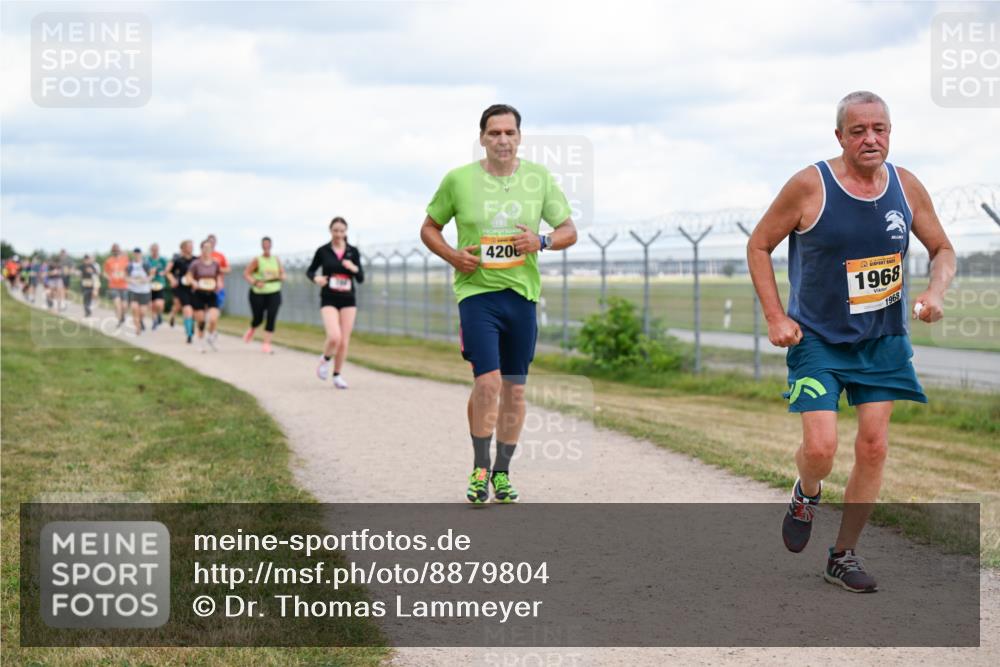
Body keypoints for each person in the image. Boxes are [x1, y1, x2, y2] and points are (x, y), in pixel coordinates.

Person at [746, 91, 956, 593]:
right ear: (840, 136)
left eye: (879, 129)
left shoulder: (906, 186)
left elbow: (943, 249)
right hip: (818, 338)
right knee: (821, 448)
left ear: (890, 133)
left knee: (874, 446)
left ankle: (842, 555)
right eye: (858, 130)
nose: (870, 139)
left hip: (883, 340)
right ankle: (807, 491)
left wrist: (935, 291)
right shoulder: (809, 185)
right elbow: (758, 244)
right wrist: (775, 316)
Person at [420, 104, 577, 504]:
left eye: (509, 132)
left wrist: (541, 241)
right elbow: (429, 228)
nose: (502, 140)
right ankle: (479, 468)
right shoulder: (458, 180)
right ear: (482, 138)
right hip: (477, 294)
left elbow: (568, 230)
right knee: (487, 382)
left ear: (519, 137)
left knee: (514, 390)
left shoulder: (539, 179)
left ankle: (502, 473)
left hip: (522, 296)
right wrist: (453, 256)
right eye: (494, 133)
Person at [306, 217, 364, 388]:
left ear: (346, 232)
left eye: (342, 231)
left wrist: (353, 268)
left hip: (348, 299)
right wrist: (316, 278)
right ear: (330, 231)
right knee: (334, 336)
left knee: (344, 341)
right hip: (329, 297)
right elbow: (310, 271)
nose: (338, 234)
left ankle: (337, 375)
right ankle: (325, 359)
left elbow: (361, 278)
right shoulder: (323, 251)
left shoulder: (353, 251)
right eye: (335, 230)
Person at [242, 236, 286, 354]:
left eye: (268, 244)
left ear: (271, 245)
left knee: (271, 316)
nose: (266, 246)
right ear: (262, 246)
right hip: (258, 293)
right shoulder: (257, 260)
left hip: (274, 291)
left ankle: (266, 344)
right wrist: (255, 282)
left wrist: (282, 276)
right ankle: (252, 328)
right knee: (258, 318)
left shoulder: (276, 259)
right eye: (264, 244)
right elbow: (246, 274)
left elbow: (282, 273)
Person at [186, 240, 223, 352]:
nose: (207, 250)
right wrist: (193, 282)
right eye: (205, 248)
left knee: (213, 318)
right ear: (201, 249)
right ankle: (200, 342)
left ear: (212, 249)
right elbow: (189, 276)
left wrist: (219, 283)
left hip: (211, 293)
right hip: (199, 294)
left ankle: (211, 337)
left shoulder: (215, 263)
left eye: (209, 248)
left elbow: (218, 275)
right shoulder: (195, 264)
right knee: (201, 321)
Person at [165, 240, 196, 337]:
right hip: (181, 287)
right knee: (181, 306)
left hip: (193, 287)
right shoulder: (177, 260)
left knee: (191, 308)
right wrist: (172, 280)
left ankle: (190, 324)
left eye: (192, 246)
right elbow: (168, 272)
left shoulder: (196, 260)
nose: (191, 248)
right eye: (189, 246)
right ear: (183, 248)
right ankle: (189, 331)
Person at [125, 247, 154, 334]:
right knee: (134, 309)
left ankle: (140, 321)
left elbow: (151, 275)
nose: (137, 255)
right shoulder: (130, 265)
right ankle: (137, 328)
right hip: (133, 290)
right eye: (135, 254)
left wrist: (146, 280)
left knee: (142, 311)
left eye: (138, 254)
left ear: (141, 254)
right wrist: (131, 280)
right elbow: (126, 276)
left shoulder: (146, 264)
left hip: (144, 291)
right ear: (133, 255)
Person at [102, 244, 130, 327]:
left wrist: (126, 276)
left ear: (119, 251)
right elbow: (105, 272)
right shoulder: (109, 261)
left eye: (117, 250)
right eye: (114, 250)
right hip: (113, 285)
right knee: (117, 304)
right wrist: (108, 277)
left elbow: (130, 270)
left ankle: (122, 316)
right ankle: (119, 320)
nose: (116, 252)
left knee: (124, 306)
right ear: (112, 251)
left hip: (124, 285)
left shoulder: (125, 259)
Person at [206, 233, 231, 310]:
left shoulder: (220, 255)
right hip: (205, 285)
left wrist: (216, 268)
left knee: (217, 306)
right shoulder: (202, 256)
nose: (212, 243)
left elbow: (228, 269)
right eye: (210, 241)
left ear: (216, 242)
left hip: (218, 286)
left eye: (213, 241)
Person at [148, 243, 169, 329]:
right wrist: (150, 272)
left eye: (156, 250)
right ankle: (155, 320)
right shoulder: (148, 260)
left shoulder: (162, 260)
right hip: (150, 284)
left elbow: (167, 269)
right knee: (152, 304)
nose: (155, 251)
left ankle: (159, 314)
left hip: (160, 284)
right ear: (151, 250)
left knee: (159, 304)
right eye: (153, 250)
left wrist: (163, 272)